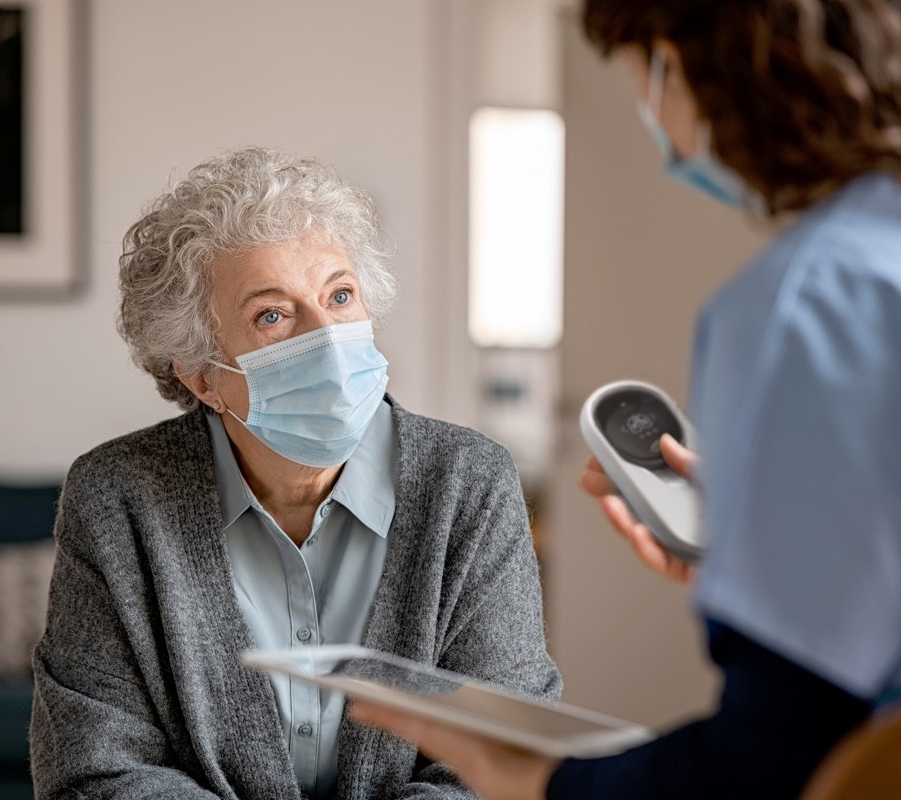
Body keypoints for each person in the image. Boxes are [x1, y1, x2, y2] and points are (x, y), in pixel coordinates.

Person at [352, 1, 901, 797]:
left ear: (687, 65)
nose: (653, 119)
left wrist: (537, 781)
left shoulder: (825, 293)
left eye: (640, 80)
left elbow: (769, 759)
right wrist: (764, 563)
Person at [28, 146, 561, 799]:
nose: (328, 339)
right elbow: (94, 771)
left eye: (340, 296)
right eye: (273, 315)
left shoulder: (468, 483)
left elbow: (503, 757)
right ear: (201, 376)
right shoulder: (117, 498)